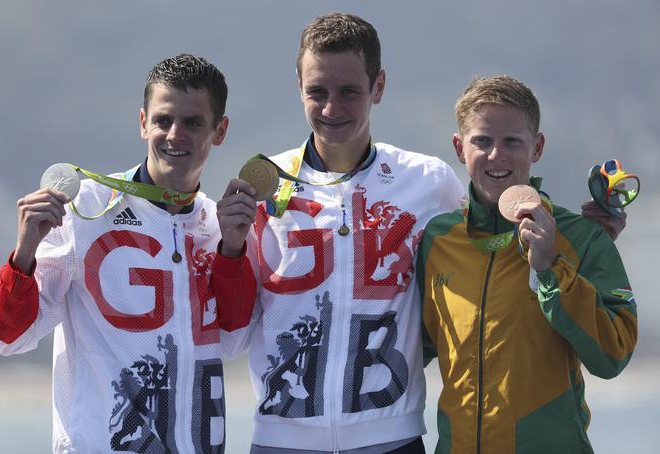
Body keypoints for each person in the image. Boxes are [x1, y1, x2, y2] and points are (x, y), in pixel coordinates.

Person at [215, 13, 629, 454]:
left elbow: (492, 238)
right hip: (280, 441)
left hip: (393, 439)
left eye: (350, 91)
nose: (332, 108)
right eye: (317, 91)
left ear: (379, 87)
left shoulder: (428, 181)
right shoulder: (262, 188)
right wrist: (230, 250)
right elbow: (232, 337)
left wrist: (583, 239)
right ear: (298, 84)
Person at [0, 54, 255, 453]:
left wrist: (233, 251)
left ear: (220, 130)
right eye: (163, 120)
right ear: (143, 121)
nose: (174, 134)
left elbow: (234, 340)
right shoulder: (85, 208)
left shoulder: (215, 227)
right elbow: (10, 337)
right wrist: (24, 251)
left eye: (192, 122)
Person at [416, 75, 638, 453]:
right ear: (459, 147)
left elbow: (612, 355)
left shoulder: (581, 238)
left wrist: (551, 269)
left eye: (512, 142)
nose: (496, 155)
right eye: (482, 141)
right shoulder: (437, 240)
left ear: (537, 147)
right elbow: (407, 350)